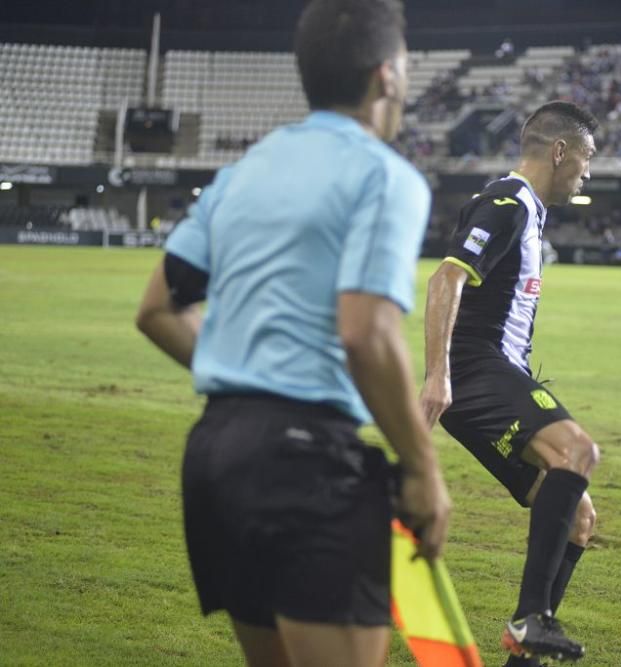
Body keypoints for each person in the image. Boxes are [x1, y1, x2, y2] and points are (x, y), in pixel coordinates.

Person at [134, 1, 450, 665]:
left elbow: (159, 308)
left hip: (216, 456)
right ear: (387, 75)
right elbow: (366, 335)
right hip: (305, 465)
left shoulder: (245, 170)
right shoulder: (384, 174)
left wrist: (244, 370)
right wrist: (423, 466)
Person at [420, 101, 600, 665]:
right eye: (587, 159)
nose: (587, 173)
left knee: (578, 518)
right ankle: (530, 620)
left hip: (493, 374)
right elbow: (445, 278)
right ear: (560, 151)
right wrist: (437, 376)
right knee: (577, 450)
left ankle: (523, 654)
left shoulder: (529, 210)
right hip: (475, 372)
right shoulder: (506, 203)